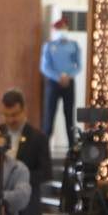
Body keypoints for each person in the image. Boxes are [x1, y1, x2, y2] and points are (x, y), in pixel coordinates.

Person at [39, 18, 81, 147]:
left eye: (64, 28)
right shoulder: (49, 46)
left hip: (69, 83)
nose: (62, 31)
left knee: (69, 117)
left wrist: (68, 76)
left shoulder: (73, 45)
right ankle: (44, 148)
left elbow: (78, 66)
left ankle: (72, 149)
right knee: (49, 118)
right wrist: (58, 77)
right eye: (59, 29)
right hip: (53, 84)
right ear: (55, 30)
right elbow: (44, 67)